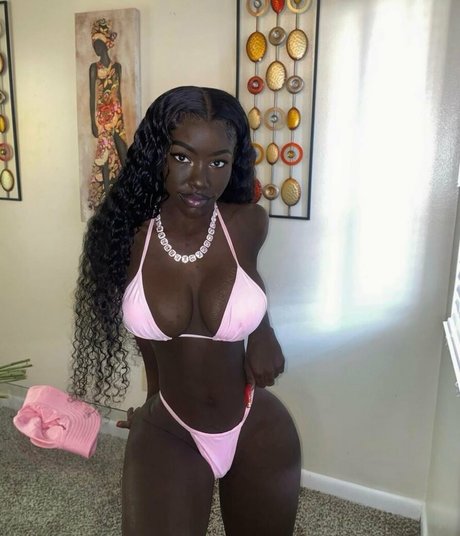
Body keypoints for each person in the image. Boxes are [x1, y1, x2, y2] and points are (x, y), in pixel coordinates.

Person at [70, 86, 301, 535]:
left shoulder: (247, 223)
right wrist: (151, 403)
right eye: (182, 157)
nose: (200, 179)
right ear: (157, 155)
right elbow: (146, 337)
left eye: (218, 162)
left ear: (234, 163)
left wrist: (263, 331)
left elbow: (248, 280)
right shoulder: (127, 238)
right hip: (171, 428)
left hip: (256, 424)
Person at [88, 17, 128, 211]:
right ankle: (106, 197)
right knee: (104, 156)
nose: (96, 49)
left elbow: (118, 94)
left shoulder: (117, 67)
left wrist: (121, 117)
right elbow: (92, 96)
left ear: (105, 44)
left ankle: (125, 191)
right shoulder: (93, 68)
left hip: (116, 115)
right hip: (102, 117)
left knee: (122, 151)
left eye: (98, 44)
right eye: (94, 45)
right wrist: (92, 122)